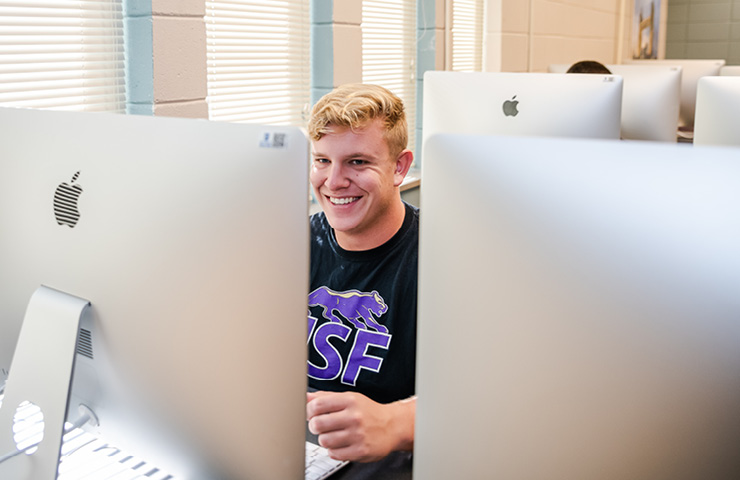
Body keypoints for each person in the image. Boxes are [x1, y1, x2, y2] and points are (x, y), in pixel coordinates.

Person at [305, 83, 418, 463]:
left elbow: (491, 395)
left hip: (389, 463)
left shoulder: (444, 256)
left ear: (399, 167)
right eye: (322, 161)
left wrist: (397, 422)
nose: (333, 182)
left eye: (357, 162)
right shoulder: (288, 245)